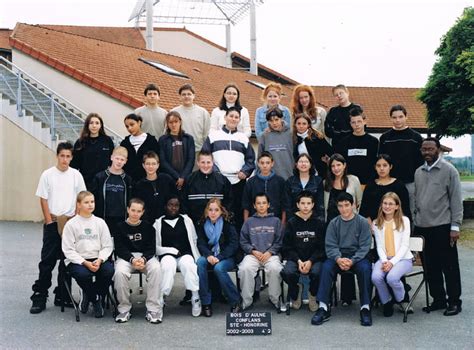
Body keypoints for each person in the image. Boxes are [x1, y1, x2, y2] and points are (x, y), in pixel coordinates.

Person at [30, 142, 86, 314]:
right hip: (53, 220)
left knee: (66, 259)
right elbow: (43, 199)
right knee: (47, 260)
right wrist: (48, 221)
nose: (65, 159)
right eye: (62, 156)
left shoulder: (76, 175)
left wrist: (76, 219)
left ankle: (63, 294)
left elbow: (81, 197)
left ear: (71, 157)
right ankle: (40, 295)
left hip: (69, 222)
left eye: (68, 156)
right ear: (57, 156)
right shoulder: (48, 175)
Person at [414, 137, 463, 316]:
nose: (427, 152)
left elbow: (456, 200)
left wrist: (455, 227)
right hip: (422, 227)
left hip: (442, 226)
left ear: (438, 150)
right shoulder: (418, 172)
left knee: (449, 267)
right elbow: (417, 199)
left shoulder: (449, 171)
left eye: (430, 149)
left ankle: (454, 302)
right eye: (424, 149)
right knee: (430, 267)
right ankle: (439, 299)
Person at [312, 192, 372, 326]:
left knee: (365, 268)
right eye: (341, 206)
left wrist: (353, 260)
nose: (344, 209)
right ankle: (323, 306)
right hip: (338, 256)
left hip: (357, 257)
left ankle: (365, 308)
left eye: (347, 205)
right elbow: (330, 245)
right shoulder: (334, 223)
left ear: (353, 205)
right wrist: (338, 259)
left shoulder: (362, 222)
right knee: (326, 267)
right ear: (337, 207)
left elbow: (365, 246)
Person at [62, 191, 114, 318]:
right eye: (86, 202)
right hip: (78, 260)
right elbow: (68, 250)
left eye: (92, 202)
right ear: (78, 205)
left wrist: (100, 259)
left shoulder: (100, 222)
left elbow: (107, 245)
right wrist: (85, 263)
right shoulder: (71, 224)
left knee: (108, 271)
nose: (90, 205)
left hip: (98, 258)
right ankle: (96, 300)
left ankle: (88, 293)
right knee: (83, 274)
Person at [202, 107, 255, 230]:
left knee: (236, 213)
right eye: (231, 116)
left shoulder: (243, 138)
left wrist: (245, 172)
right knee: (217, 211)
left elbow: (251, 160)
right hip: (218, 181)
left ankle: (236, 245)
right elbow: (205, 156)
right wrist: (215, 172)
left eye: (236, 117)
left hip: (238, 182)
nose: (233, 119)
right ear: (225, 117)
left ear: (239, 120)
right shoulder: (213, 136)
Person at [114, 198, 163, 324]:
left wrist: (143, 259)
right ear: (128, 210)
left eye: (139, 211)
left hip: (144, 257)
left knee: (156, 269)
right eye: (133, 210)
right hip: (126, 258)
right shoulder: (120, 227)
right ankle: (124, 309)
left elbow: (151, 249)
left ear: (142, 212)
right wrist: (132, 259)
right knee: (119, 273)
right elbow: (120, 249)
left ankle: (153, 309)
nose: (135, 213)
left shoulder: (148, 227)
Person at [323, 153, 362, 306]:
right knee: (333, 259)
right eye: (333, 166)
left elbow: (359, 201)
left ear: (344, 165)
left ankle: (347, 296)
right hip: (331, 226)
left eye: (339, 165)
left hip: (350, 224)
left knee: (347, 256)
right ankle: (329, 296)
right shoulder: (326, 182)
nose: (336, 168)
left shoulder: (353, 180)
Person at [154, 197, 202, 317]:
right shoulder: (158, 223)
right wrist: (171, 250)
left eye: (176, 205)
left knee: (189, 265)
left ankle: (195, 297)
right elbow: (155, 247)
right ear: (165, 206)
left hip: (185, 254)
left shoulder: (186, 220)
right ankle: (161, 298)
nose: (173, 208)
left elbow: (194, 239)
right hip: (167, 255)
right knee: (167, 266)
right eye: (171, 205)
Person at [281, 191, 326, 312]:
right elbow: (287, 246)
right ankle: (296, 292)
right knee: (288, 272)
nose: (305, 206)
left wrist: (311, 261)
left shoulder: (319, 222)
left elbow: (322, 247)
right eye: (303, 203)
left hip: (314, 259)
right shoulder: (291, 222)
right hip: (296, 259)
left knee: (318, 272)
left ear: (313, 205)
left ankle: (312, 294)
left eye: (308, 203)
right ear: (297, 205)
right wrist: (298, 261)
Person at [196, 199, 241, 316]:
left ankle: (235, 301)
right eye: (210, 210)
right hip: (209, 255)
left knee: (218, 268)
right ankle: (206, 302)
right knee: (200, 263)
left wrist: (219, 257)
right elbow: (200, 243)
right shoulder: (202, 224)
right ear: (206, 212)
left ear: (221, 211)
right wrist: (209, 255)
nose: (213, 213)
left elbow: (234, 244)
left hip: (226, 257)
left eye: (216, 210)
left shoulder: (228, 224)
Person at [239, 193, 283, 310]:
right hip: (253, 254)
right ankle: (246, 301)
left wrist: (270, 252)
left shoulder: (276, 221)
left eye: (264, 203)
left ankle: (275, 299)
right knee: (245, 268)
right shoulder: (249, 221)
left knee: (275, 268)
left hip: (271, 254)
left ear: (268, 205)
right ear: (254, 205)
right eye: (258, 203)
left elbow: (279, 241)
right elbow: (243, 241)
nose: (261, 206)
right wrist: (252, 251)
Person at [378, 105, 424, 219]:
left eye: (400, 117)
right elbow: (381, 161)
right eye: (394, 117)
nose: (397, 120)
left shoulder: (416, 137)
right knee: (388, 213)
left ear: (406, 117)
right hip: (390, 182)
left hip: (410, 182)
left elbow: (420, 162)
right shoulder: (385, 137)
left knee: (410, 213)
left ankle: (410, 236)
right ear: (391, 118)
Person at [371, 192, 413, 317]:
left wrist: (392, 262)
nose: (387, 206)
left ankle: (400, 298)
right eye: (385, 203)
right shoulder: (376, 223)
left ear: (397, 206)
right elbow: (379, 246)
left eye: (391, 204)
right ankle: (387, 301)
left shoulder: (404, 221)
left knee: (392, 278)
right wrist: (385, 261)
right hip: (385, 259)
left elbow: (405, 246)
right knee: (376, 277)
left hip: (403, 259)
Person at [90, 146, 133, 237]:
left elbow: (130, 200)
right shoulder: (100, 177)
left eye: (122, 159)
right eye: (117, 158)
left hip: (121, 218)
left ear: (126, 161)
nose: (119, 161)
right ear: (111, 157)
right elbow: (93, 197)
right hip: (103, 217)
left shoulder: (127, 179)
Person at [360, 154, 411, 227]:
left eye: (385, 165)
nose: (381, 168)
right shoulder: (370, 185)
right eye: (378, 165)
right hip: (374, 226)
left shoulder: (399, 185)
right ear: (375, 167)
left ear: (390, 166)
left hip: (395, 226)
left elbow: (405, 209)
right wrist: (369, 225)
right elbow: (364, 209)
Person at [182, 151, 232, 223]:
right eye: (203, 162)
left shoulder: (222, 180)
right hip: (195, 223)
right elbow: (184, 202)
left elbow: (229, 201)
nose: (205, 165)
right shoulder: (189, 180)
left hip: (217, 223)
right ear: (198, 163)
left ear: (213, 163)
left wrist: (222, 217)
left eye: (208, 162)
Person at [335, 106, 379, 186]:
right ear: (350, 124)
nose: (357, 125)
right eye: (353, 122)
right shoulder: (343, 142)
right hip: (349, 183)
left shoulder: (374, 142)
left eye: (359, 121)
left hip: (368, 183)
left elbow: (376, 163)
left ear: (364, 121)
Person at [70, 113, 114, 189]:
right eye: (91, 123)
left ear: (101, 125)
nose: (94, 126)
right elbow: (74, 164)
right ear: (87, 125)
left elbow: (112, 161)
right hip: (85, 182)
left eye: (97, 123)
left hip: (103, 181)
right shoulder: (80, 142)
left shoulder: (107, 141)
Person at [242, 152, 288, 223]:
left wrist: (283, 223)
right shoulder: (251, 182)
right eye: (262, 163)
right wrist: (246, 223)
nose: (265, 165)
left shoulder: (280, 181)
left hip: (275, 220)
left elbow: (284, 205)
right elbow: (246, 205)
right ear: (258, 164)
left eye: (267, 163)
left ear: (272, 163)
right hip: (255, 221)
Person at [133, 151, 176, 223]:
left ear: (158, 165)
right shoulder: (139, 185)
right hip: (148, 222)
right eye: (148, 164)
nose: (150, 166)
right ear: (143, 165)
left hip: (167, 221)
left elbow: (175, 198)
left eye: (153, 164)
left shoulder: (167, 179)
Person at [171, 84, 211, 160]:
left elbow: (207, 133)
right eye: (183, 94)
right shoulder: (174, 112)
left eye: (189, 94)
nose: (186, 96)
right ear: (180, 97)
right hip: (178, 151)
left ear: (194, 96)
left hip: (197, 151)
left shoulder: (203, 112)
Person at [158, 111, 195, 191]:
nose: (173, 125)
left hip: (185, 178)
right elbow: (163, 161)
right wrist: (177, 176)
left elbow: (191, 160)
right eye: (170, 122)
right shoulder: (163, 140)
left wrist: (183, 176)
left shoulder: (188, 139)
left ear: (180, 122)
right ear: (167, 124)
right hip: (168, 177)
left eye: (176, 121)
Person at [120, 113, 160, 182]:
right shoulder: (124, 143)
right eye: (127, 126)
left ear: (139, 122)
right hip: (129, 182)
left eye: (132, 124)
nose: (129, 128)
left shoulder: (151, 140)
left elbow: (157, 160)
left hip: (147, 181)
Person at [285, 153, 324, 221]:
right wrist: (290, 221)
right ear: (296, 165)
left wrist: (320, 220)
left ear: (310, 165)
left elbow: (320, 204)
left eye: (306, 162)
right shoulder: (290, 181)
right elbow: (288, 205)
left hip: (313, 219)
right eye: (300, 162)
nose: (303, 164)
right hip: (295, 219)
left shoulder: (318, 181)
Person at [258, 106, 294, 180]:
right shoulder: (265, 135)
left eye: (276, 119)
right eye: (271, 121)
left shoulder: (291, 134)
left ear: (282, 119)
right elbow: (259, 157)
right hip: (270, 178)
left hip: (289, 176)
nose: (274, 123)